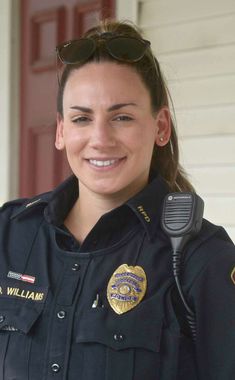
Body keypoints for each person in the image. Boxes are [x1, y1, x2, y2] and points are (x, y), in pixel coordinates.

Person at [0, 19, 234, 380]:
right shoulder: (9, 233)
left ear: (160, 128)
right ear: (61, 131)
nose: (100, 138)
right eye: (81, 118)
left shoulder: (199, 257)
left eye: (121, 117)